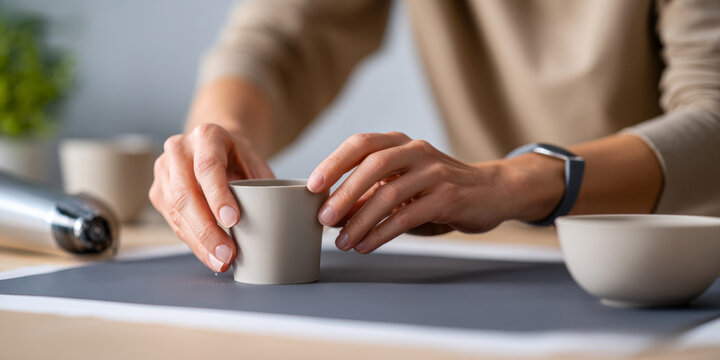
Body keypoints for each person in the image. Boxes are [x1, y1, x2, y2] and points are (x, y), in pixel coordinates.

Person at [149, 0, 720, 273]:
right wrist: (221, 136)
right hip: (512, 261)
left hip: (691, 265)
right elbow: (278, 39)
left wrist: (515, 180)